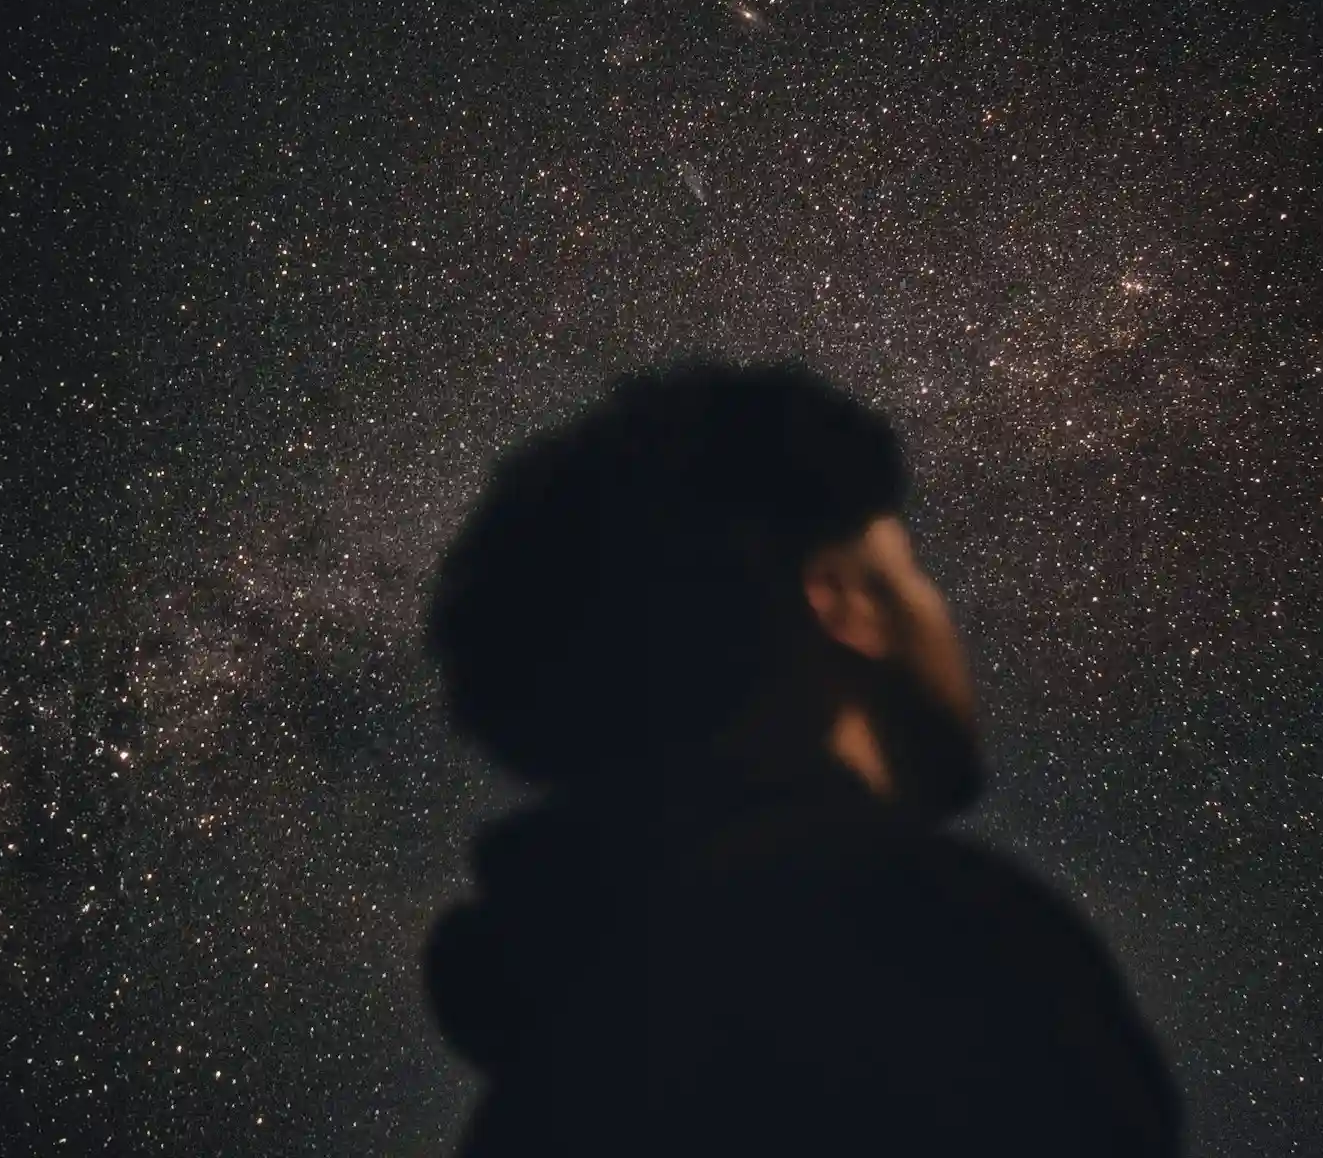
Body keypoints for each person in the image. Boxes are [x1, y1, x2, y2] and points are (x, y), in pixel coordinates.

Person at [422, 356, 1185, 1156]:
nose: (939, 611)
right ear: (840, 601)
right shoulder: (934, 941)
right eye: (909, 571)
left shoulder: (551, 1067)